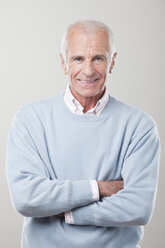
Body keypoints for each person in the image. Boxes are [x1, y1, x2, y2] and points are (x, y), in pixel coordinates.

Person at [6, 20, 160, 248]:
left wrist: (66, 212)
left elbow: (138, 208)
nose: (88, 71)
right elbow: (26, 198)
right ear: (63, 63)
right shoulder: (29, 120)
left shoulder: (140, 127)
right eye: (78, 58)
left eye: (98, 58)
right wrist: (99, 188)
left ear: (112, 62)